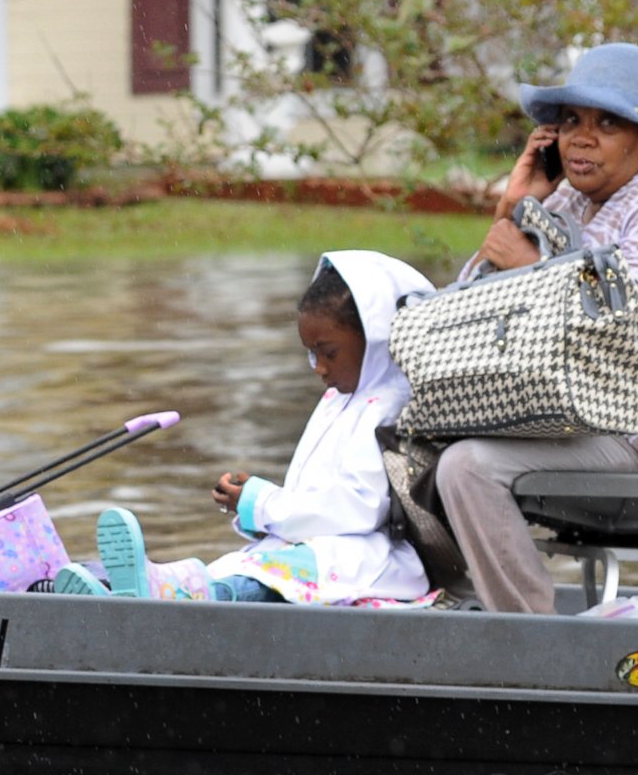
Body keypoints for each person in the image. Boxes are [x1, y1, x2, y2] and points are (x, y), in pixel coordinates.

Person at [433, 41, 638, 615]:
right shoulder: (570, 201)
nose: (581, 137)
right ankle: (441, 608)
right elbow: (463, 318)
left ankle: (529, 640)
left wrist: (530, 267)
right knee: (410, 433)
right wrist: (516, 207)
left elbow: (632, 323)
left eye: (608, 123)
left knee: (469, 466)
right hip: (578, 409)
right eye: (571, 121)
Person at [54, 251, 436, 606]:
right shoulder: (340, 399)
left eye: (329, 352)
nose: (319, 367)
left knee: (252, 581)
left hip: (364, 559)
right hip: (317, 548)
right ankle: (117, 586)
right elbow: (318, 497)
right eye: (311, 353)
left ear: (375, 337)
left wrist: (262, 504)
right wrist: (255, 506)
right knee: (239, 567)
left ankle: (161, 596)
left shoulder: (389, 408)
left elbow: (359, 508)